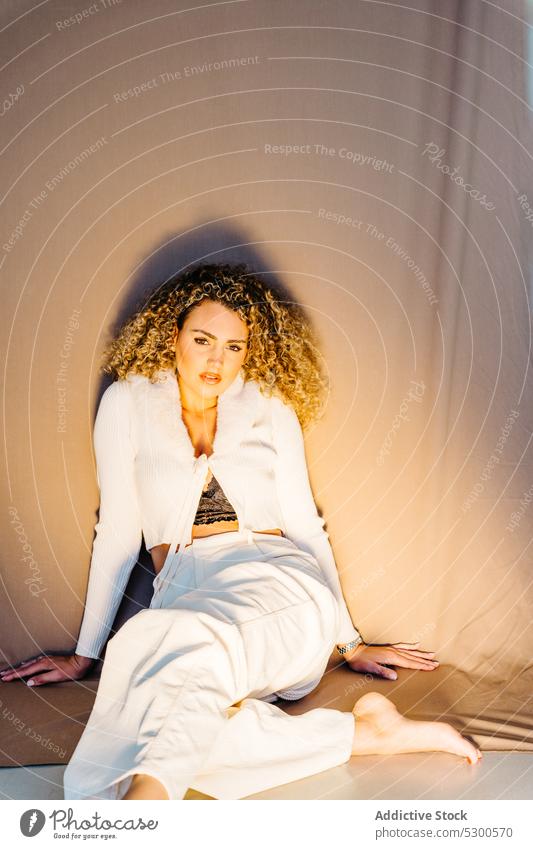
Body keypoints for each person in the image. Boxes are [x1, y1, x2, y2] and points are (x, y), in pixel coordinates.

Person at [0, 263, 481, 800]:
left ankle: (134, 819)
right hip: (187, 590)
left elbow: (305, 525)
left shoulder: (270, 404)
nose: (217, 360)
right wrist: (86, 653)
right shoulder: (127, 402)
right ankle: (366, 735)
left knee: (161, 657)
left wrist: (348, 641)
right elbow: (116, 531)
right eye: (203, 340)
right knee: (145, 651)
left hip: (282, 586)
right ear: (172, 334)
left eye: (234, 346)